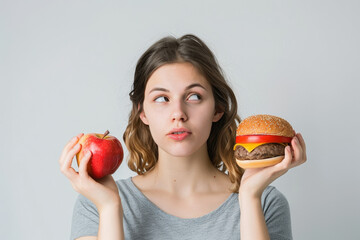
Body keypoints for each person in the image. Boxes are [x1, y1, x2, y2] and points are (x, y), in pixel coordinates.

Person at [59, 34, 307, 240]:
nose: (178, 114)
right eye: (162, 99)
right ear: (142, 112)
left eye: (194, 96)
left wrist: (250, 197)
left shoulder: (266, 203)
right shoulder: (96, 203)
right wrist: (110, 208)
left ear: (217, 109)